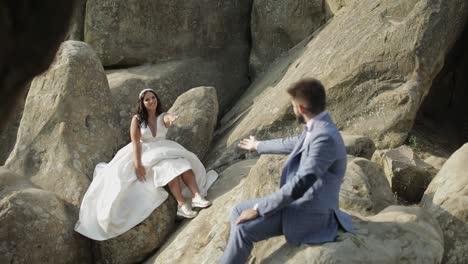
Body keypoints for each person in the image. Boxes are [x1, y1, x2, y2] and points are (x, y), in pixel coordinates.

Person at [220, 79, 354, 263]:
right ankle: (236, 257)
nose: (292, 110)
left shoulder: (324, 138)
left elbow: (300, 184)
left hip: (310, 211)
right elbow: (292, 142)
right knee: (238, 210)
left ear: (301, 108)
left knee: (244, 229)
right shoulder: (319, 125)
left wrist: (259, 210)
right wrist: (257, 145)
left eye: (293, 106)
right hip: (300, 203)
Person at [75, 88, 218, 241]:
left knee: (184, 163)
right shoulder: (137, 119)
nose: (151, 101)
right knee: (169, 170)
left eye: (153, 98)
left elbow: (168, 118)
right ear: (142, 103)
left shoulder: (161, 116)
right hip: (144, 153)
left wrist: (172, 117)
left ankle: (196, 196)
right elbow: (136, 142)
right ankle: (182, 205)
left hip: (163, 150)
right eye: (147, 99)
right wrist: (138, 165)